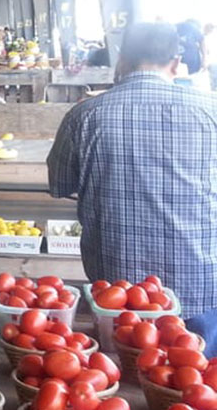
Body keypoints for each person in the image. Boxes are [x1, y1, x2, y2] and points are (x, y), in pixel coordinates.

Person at [48, 22, 217, 335]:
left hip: (118, 287)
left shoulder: (85, 116)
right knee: (197, 373)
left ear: (121, 61)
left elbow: (60, 185)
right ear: (177, 63)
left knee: (122, 369)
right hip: (201, 281)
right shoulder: (212, 111)